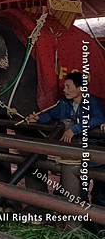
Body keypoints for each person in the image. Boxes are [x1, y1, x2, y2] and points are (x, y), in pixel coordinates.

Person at [27, 72, 105, 206]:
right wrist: (38, 118)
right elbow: (51, 115)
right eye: (64, 87)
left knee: (99, 190)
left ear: (81, 88)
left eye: (68, 87)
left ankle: (97, 217)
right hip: (73, 154)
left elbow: (98, 119)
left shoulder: (92, 102)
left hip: (92, 152)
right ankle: (79, 215)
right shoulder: (64, 103)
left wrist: (73, 129)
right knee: (77, 189)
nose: (64, 90)